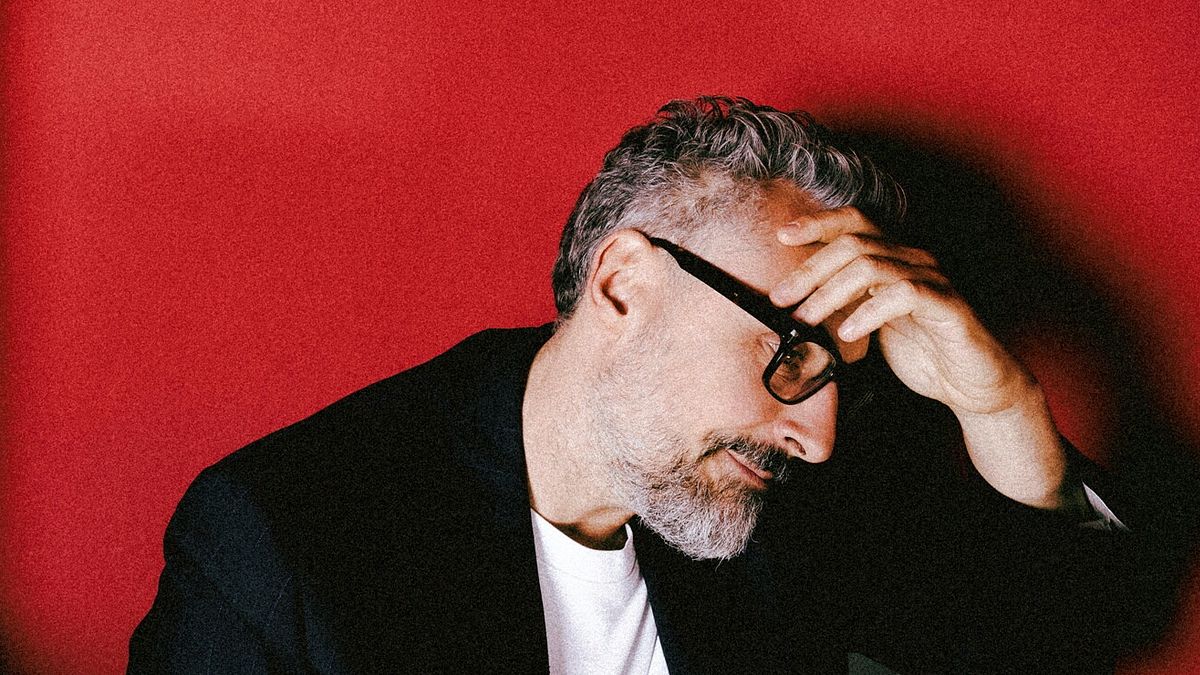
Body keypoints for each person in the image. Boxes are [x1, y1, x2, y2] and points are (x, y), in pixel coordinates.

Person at [130, 97, 1140, 674]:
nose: (820, 432)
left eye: (842, 378)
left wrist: (995, 401)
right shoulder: (283, 539)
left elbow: (1057, 632)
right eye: (790, 349)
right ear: (623, 284)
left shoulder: (765, 503)